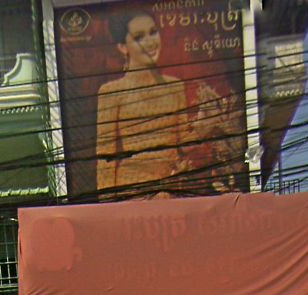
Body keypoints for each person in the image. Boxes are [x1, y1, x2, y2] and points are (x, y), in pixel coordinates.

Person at [94, 9, 246, 197]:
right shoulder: (111, 92)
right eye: (139, 37)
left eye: (153, 32)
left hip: (170, 190)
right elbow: (105, 158)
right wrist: (107, 206)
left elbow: (182, 145)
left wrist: (206, 125)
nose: (150, 42)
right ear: (123, 47)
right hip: (131, 194)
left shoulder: (175, 86)